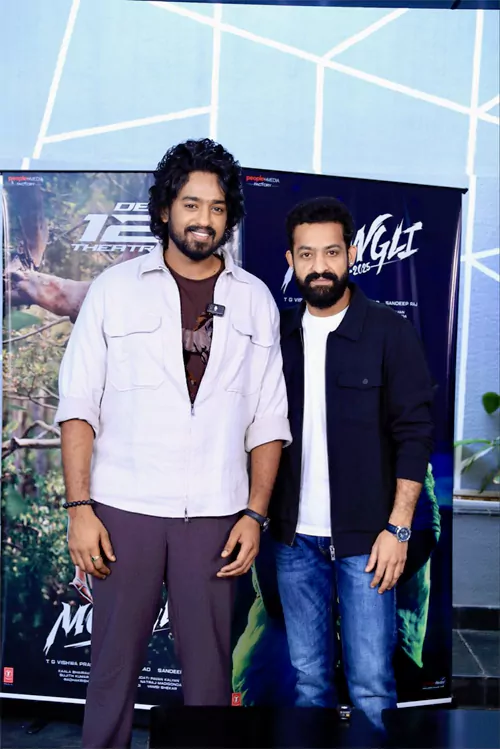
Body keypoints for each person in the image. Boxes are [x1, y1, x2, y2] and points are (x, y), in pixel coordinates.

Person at [55, 138, 291, 749]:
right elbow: (78, 406)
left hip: (215, 514)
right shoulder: (114, 290)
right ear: (165, 209)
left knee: (210, 680)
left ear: (229, 217)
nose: (203, 219)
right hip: (123, 509)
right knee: (110, 670)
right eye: (191, 204)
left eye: (217, 207)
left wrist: (254, 514)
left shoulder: (254, 300)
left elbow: (269, 420)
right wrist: (80, 510)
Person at [269, 196, 434, 739]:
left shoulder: (389, 332)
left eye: (332, 252)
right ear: (291, 260)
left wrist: (398, 528)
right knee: (308, 683)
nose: (320, 266)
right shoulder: (277, 337)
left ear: (351, 254)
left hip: (369, 543)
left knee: (371, 688)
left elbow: (415, 434)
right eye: (307, 254)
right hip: (294, 542)